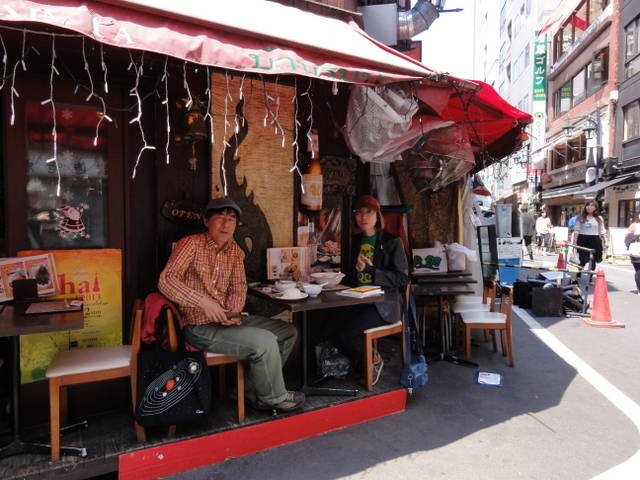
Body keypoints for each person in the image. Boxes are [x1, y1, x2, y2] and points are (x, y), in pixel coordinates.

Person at [159, 197, 305, 413]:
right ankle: (273, 398)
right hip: (199, 327)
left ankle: (248, 388)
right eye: (220, 217)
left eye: (231, 219)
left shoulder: (235, 251)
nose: (226, 224)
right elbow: (166, 280)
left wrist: (234, 313)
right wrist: (202, 302)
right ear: (206, 221)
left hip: (227, 322)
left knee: (287, 332)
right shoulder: (191, 244)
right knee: (265, 341)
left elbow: (238, 287)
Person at [335, 195, 409, 385]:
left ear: (377, 215)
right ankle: (357, 363)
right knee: (328, 324)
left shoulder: (392, 242)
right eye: (358, 213)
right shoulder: (355, 241)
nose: (363, 217)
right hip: (357, 300)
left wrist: (371, 270)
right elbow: (350, 274)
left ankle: (373, 359)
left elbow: (402, 278)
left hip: (383, 305)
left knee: (346, 334)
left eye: (368, 212)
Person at [571, 200, 608, 272]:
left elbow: (602, 230)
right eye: (588, 205)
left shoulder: (599, 218)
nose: (589, 207)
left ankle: (590, 274)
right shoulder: (580, 217)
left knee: (593, 258)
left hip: (595, 240)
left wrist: (606, 241)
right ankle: (579, 273)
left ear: (595, 208)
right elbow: (576, 231)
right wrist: (574, 243)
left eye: (592, 205)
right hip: (583, 239)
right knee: (582, 259)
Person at [625, 211, 640, 294]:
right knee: (639, 270)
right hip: (636, 251)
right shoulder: (634, 225)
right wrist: (636, 237)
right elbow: (627, 239)